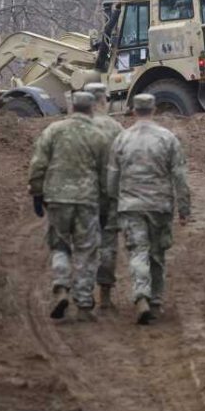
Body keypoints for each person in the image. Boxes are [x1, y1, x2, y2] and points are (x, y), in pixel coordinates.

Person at [107, 93, 191, 324]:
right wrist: (184, 208)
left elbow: (112, 177)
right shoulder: (167, 138)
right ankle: (155, 300)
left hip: (131, 206)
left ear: (134, 111)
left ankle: (141, 295)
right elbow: (180, 176)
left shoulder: (122, 139)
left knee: (138, 251)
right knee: (157, 254)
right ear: (154, 110)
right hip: (159, 205)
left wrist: (114, 201)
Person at [28, 92, 108, 321]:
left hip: (57, 199)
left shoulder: (53, 130)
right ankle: (83, 303)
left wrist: (37, 192)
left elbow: (38, 164)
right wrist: (105, 204)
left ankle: (61, 286)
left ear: (72, 107)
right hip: (87, 200)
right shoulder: (98, 136)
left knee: (60, 245)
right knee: (86, 251)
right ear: (91, 108)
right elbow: (106, 174)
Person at [83, 82, 124, 309]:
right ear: (103, 100)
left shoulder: (78, 126)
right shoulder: (116, 128)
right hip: (110, 194)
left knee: (85, 243)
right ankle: (105, 297)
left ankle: (84, 294)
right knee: (108, 243)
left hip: (84, 195)